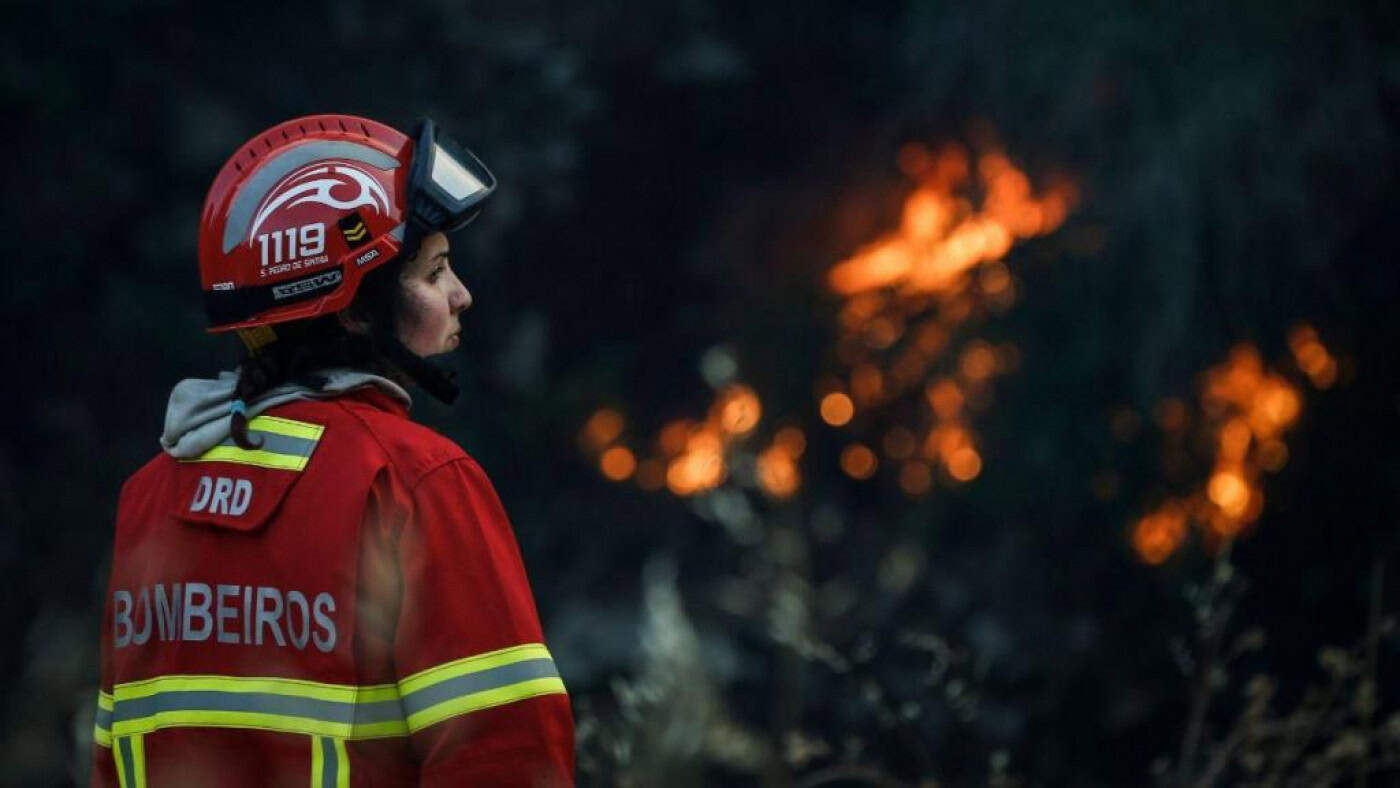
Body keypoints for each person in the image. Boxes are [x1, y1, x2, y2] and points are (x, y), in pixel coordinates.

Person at [91, 114, 574, 786]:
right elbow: (512, 758)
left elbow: (116, 759)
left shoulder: (150, 497)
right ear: (352, 310)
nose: (462, 295)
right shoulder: (416, 481)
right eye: (435, 272)